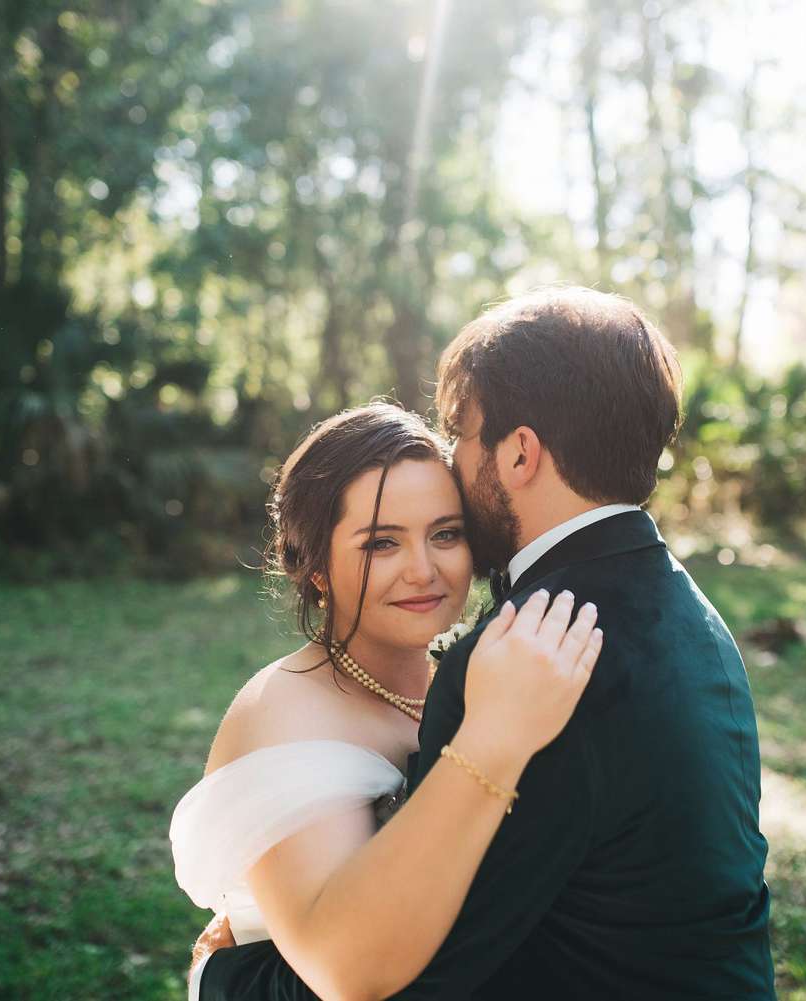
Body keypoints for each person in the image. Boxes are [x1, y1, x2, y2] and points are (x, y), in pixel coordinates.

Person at [193, 286, 776, 1000]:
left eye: (460, 433)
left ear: (520, 453)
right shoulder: (694, 615)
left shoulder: (531, 653)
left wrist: (230, 978)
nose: (456, 459)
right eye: (382, 542)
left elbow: (425, 971)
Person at [170, 403, 603, 1001]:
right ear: (316, 566)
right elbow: (346, 972)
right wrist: (496, 739)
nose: (423, 570)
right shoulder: (283, 715)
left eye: (445, 534)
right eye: (380, 545)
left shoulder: (461, 675)